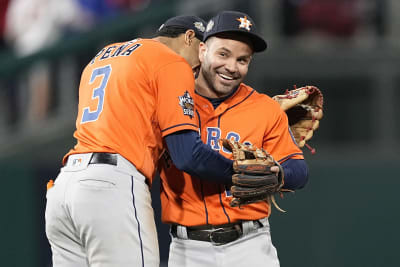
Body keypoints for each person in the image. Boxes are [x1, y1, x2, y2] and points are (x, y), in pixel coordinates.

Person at [45, 15, 247, 267]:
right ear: (188, 37)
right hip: (110, 187)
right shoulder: (171, 61)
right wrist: (238, 172)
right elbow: (187, 154)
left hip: (64, 189)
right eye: (202, 50)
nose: (201, 64)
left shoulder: (104, 55)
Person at [158, 11, 309, 267]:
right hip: (187, 248)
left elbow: (299, 170)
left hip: (249, 245)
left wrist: (278, 174)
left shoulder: (264, 108)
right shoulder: (173, 101)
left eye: (242, 60)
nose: (231, 67)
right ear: (203, 50)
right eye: (223, 54)